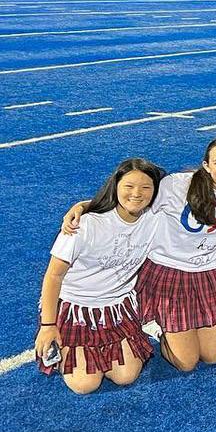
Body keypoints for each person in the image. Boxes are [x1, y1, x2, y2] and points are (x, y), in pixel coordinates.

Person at [37, 159, 163, 393]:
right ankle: (67, 344)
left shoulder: (155, 219)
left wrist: (85, 204)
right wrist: (48, 325)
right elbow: (53, 276)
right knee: (84, 384)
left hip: (117, 307)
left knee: (126, 376)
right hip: (77, 308)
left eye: (146, 187)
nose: (137, 193)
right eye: (129, 186)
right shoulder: (84, 225)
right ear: (115, 186)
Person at [138, 137, 216, 371]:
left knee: (212, 356)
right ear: (206, 165)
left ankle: (175, 327)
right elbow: (132, 202)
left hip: (209, 273)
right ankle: (157, 326)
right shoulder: (176, 185)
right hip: (171, 272)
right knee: (186, 363)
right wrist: (84, 206)